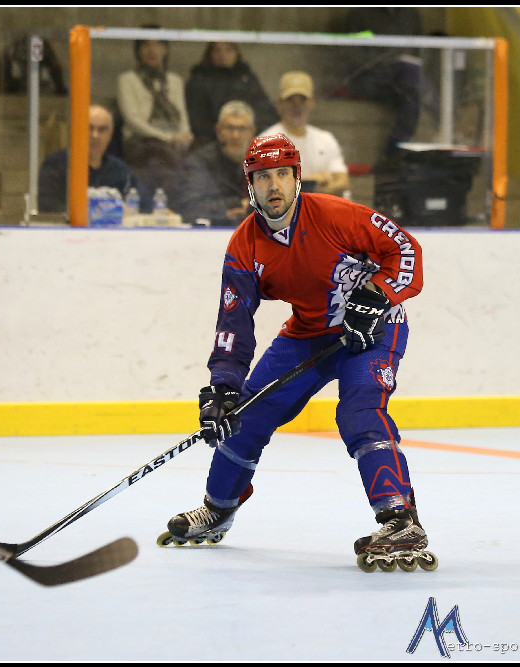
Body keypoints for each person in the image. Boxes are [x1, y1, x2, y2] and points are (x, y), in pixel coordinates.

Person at [158, 134, 437, 572]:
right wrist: (223, 387)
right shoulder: (244, 246)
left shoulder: (337, 215)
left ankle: (399, 519)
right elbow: (234, 322)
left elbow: (405, 249)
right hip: (310, 333)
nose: (274, 186)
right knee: (246, 412)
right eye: (262, 177)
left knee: (360, 409)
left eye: (282, 174)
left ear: (297, 177)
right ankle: (218, 508)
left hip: (373, 331)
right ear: (250, 185)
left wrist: (377, 295)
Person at [337, 7, 430, 161]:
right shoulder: (360, 13)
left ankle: (393, 154)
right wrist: (385, 64)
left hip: (403, 80)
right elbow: (353, 53)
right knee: (413, 90)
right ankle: (394, 154)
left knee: (411, 94)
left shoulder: (411, 13)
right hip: (370, 78)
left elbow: (419, 50)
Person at [116, 27, 192, 190]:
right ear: (138, 50)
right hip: (141, 141)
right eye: (146, 45)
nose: (152, 50)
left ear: (165, 49)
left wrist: (185, 135)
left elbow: (182, 115)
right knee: (158, 155)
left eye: (157, 44)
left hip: (173, 140)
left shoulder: (174, 80)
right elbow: (132, 119)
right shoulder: (127, 79)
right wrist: (166, 138)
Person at [37, 104, 141, 215]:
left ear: (110, 134)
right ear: (77, 131)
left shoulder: (121, 170)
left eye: (102, 130)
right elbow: (48, 208)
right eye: (89, 128)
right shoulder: (56, 165)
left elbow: (142, 206)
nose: (95, 135)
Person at [259, 71, 350, 197]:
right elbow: (274, 190)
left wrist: (303, 186)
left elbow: (343, 182)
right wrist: (318, 180)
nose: (297, 106)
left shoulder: (326, 139)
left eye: (302, 100)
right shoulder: (266, 142)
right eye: (290, 100)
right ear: (279, 104)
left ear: (312, 102)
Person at [173, 100, 257, 227]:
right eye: (230, 128)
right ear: (218, 130)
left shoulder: (263, 162)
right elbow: (189, 206)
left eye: (242, 129)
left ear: (252, 131)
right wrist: (236, 205)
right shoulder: (199, 162)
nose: (235, 135)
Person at [184, 42, 279, 149]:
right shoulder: (199, 81)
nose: (222, 55)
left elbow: (265, 112)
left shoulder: (247, 79)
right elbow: (198, 120)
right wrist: (225, 134)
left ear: (237, 53)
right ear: (210, 54)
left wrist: (249, 133)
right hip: (211, 142)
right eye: (217, 50)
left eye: (228, 50)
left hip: (249, 140)